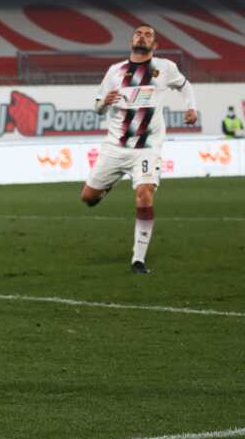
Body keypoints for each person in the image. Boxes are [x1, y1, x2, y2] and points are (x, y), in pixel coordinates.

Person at [80, 25, 197, 274]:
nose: (142, 35)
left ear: (155, 46)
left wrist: (191, 108)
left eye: (149, 34)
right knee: (88, 198)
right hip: (115, 146)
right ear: (131, 40)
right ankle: (109, 184)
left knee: (144, 193)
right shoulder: (115, 71)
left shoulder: (165, 68)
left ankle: (138, 259)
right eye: (138, 32)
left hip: (147, 148)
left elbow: (186, 86)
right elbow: (97, 104)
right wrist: (104, 103)